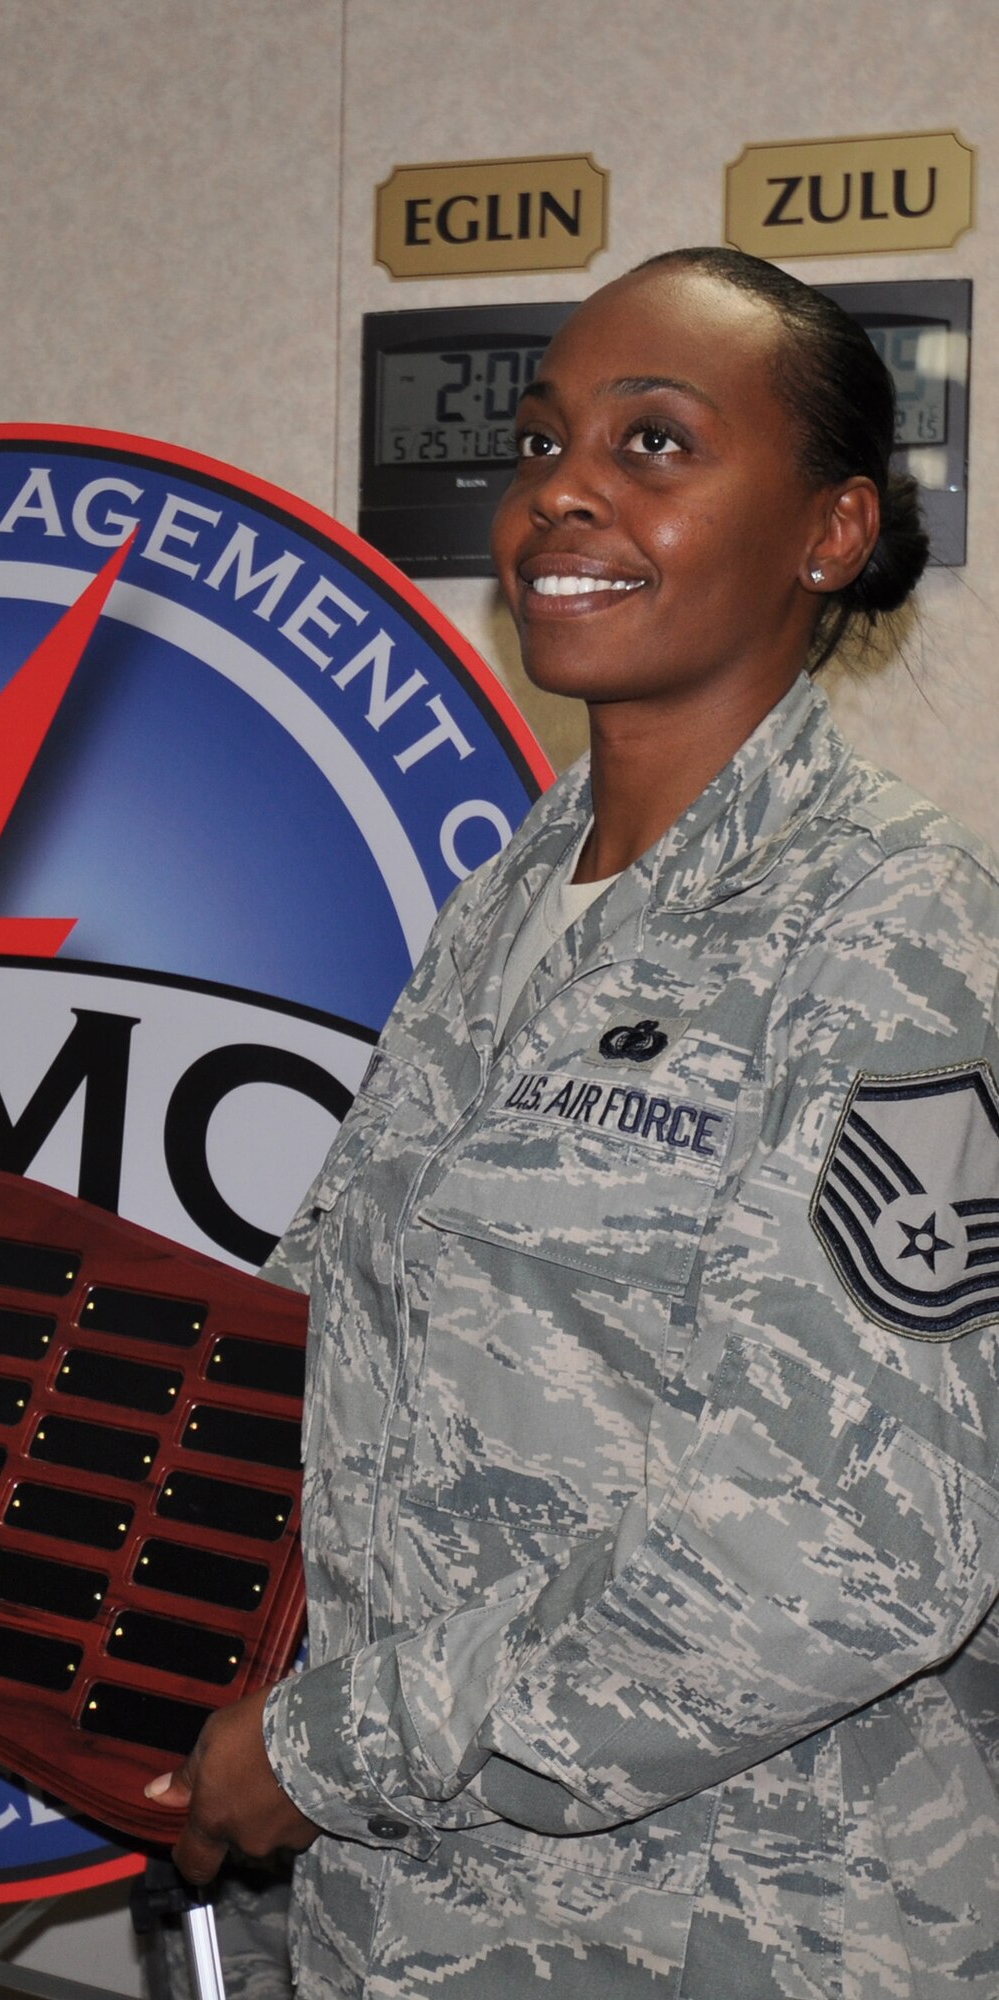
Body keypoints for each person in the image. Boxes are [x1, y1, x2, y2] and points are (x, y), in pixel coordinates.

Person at [142, 249, 999, 1996]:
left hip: (731, 1937)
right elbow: (316, 1383)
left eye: (654, 443)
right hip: (409, 1930)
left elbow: (840, 1554)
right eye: (541, 443)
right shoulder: (511, 903)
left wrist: (325, 1753)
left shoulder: (893, 928)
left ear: (830, 531)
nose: (562, 492)